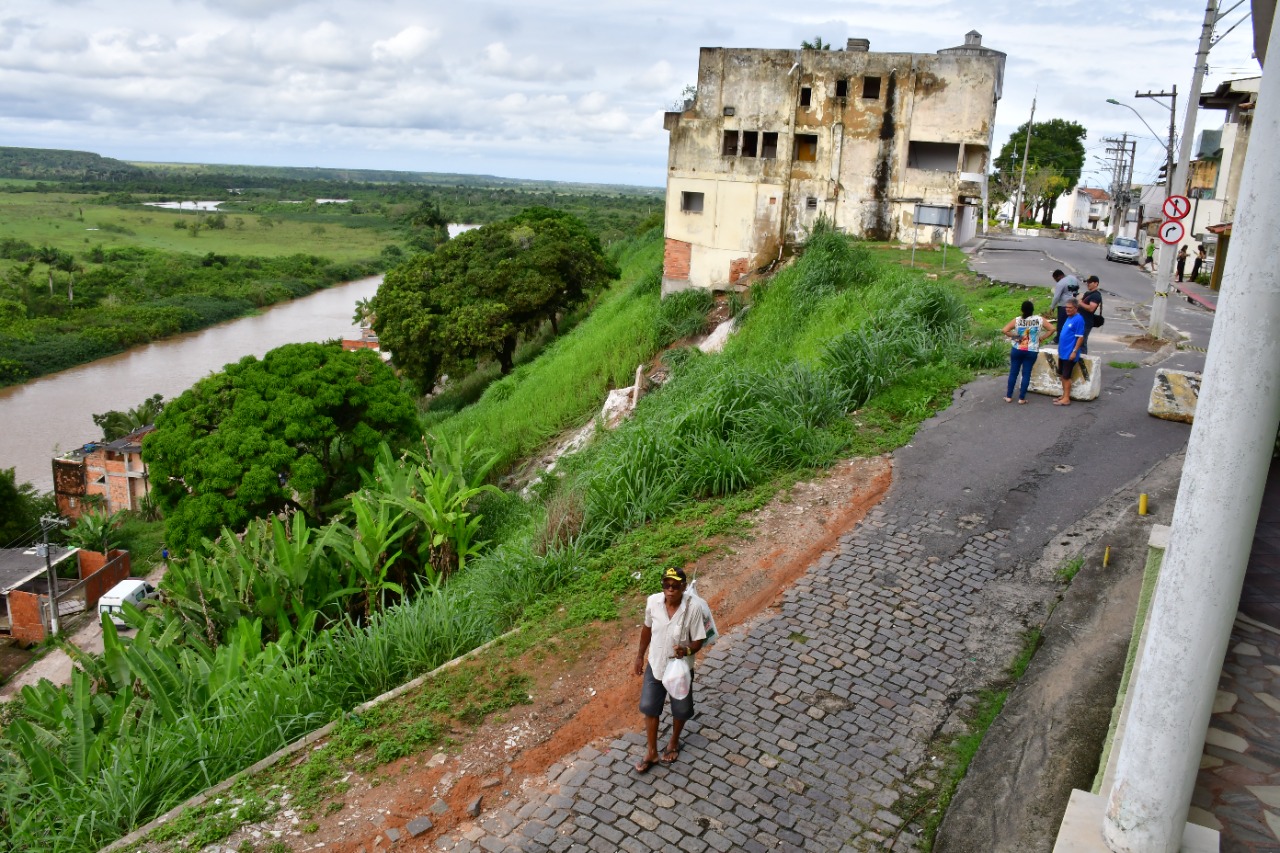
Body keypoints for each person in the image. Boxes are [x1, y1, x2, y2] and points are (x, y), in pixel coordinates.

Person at [634, 566, 706, 773]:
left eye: (675, 586)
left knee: (681, 709)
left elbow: (699, 641)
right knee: (649, 707)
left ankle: (674, 742)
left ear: (683, 587)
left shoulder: (693, 609)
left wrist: (687, 650)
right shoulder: (653, 603)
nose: (670, 589)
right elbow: (646, 630)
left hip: (680, 669)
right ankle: (651, 752)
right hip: (656, 664)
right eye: (667, 585)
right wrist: (639, 656)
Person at [1002, 300, 1054, 404]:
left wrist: (1017, 337)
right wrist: (1041, 338)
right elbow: (1052, 329)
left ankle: (1008, 397)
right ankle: (1021, 398)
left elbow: (1005, 330)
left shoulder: (1017, 320)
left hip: (1017, 349)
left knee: (1013, 373)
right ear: (1032, 310)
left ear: (1022, 310)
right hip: (1032, 350)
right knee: (1026, 373)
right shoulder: (1039, 319)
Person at [1055, 299, 1086, 406]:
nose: (1067, 310)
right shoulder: (1069, 318)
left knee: (1066, 376)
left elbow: (1080, 338)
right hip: (1063, 352)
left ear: (1076, 308)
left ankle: (1066, 398)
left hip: (1070, 353)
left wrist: (1074, 351)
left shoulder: (1079, 320)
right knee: (1062, 375)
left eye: (1070, 308)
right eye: (1066, 308)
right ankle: (1064, 395)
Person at [1048, 269, 1079, 342]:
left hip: (1063, 306)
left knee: (1061, 323)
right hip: (1074, 304)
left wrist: (1052, 307)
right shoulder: (1073, 278)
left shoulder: (1061, 283)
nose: (1056, 281)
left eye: (1056, 279)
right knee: (1071, 322)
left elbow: (1056, 297)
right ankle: (1069, 338)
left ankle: (1058, 339)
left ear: (1059, 276)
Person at [1078, 275, 1103, 355]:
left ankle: (1083, 361)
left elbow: (1091, 308)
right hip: (1080, 320)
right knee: (1077, 340)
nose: (1088, 284)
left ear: (1096, 283)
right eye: (1087, 282)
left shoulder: (1096, 295)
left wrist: (1080, 303)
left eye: (1090, 282)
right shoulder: (1088, 293)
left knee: (1082, 342)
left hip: (1086, 322)